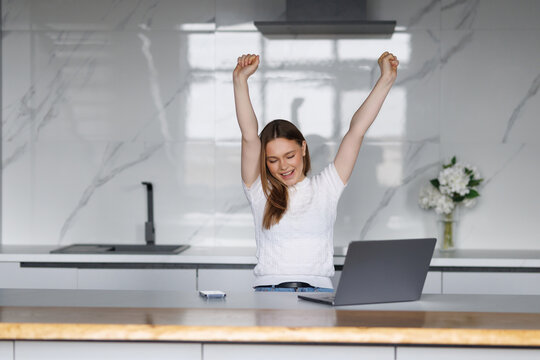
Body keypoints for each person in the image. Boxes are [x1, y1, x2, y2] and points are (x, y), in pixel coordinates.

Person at [233, 52, 399, 292]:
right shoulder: (259, 190)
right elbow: (249, 135)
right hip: (269, 292)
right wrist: (240, 80)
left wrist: (386, 79)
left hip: (318, 293)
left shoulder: (327, 186)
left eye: (289, 156)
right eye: (273, 160)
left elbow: (357, 131)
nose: (284, 166)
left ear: (303, 148)